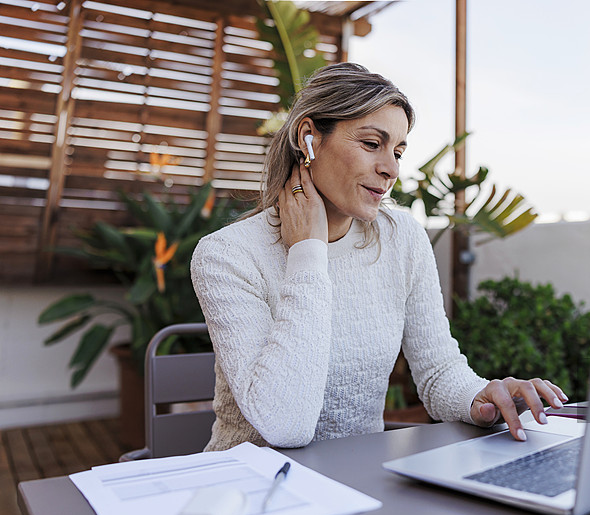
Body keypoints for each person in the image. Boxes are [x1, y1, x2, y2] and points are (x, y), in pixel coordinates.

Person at [191, 63, 567, 451]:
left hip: (360, 483)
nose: (390, 169)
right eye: (372, 144)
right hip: (248, 490)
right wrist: (308, 252)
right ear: (308, 139)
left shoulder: (402, 239)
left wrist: (480, 398)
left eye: (398, 151)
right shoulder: (228, 255)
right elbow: (286, 426)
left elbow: (438, 372)